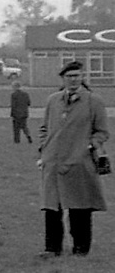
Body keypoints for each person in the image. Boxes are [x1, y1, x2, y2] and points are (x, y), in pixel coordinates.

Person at [37, 61, 109, 257]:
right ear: (63, 79)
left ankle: (81, 248)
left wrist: (87, 146)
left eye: (77, 76)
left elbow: (102, 132)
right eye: (69, 76)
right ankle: (52, 249)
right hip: (53, 162)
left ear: (82, 77)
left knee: (80, 209)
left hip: (80, 164)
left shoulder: (94, 101)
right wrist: (45, 149)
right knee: (52, 209)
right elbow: (45, 128)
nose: (73, 80)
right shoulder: (53, 100)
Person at [8, 80, 32, 145]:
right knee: (24, 126)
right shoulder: (26, 94)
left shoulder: (14, 95)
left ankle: (17, 141)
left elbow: (13, 105)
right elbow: (29, 103)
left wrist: (12, 114)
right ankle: (28, 135)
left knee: (16, 128)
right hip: (24, 113)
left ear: (15, 87)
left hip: (16, 114)